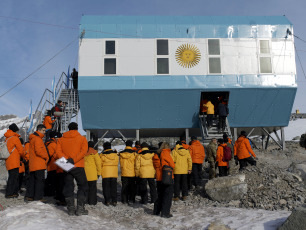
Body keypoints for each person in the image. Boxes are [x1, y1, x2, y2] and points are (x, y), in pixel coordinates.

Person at [56, 122, 88, 216]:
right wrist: (73, 160)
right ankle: (80, 209)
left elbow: (58, 152)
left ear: (68, 129)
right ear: (77, 129)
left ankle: (70, 209)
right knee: (82, 186)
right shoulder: (82, 138)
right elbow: (83, 152)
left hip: (65, 164)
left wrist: (66, 161)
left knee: (68, 186)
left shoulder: (61, 139)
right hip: (78, 164)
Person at [25, 124, 49, 201]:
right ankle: (38, 197)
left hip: (33, 164)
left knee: (32, 180)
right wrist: (46, 156)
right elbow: (38, 151)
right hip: (39, 164)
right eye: (43, 130)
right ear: (39, 130)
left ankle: (30, 196)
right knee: (39, 181)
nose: (44, 132)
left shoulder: (32, 138)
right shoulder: (38, 139)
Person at [153, 142, 175, 218]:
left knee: (160, 195)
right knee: (168, 195)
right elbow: (172, 164)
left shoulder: (156, 154)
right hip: (167, 177)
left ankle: (156, 211)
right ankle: (165, 213)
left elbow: (155, 166)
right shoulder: (165, 153)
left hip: (159, 178)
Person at [4, 123, 25, 198]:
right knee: (14, 177)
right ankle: (10, 193)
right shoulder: (15, 138)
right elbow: (21, 150)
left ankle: (12, 192)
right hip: (14, 160)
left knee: (12, 177)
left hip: (9, 160)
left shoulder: (7, 138)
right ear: (15, 130)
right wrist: (24, 156)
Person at [100, 142, 119, 206]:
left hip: (105, 173)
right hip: (114, 173)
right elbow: (117, 162)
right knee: (114, 187)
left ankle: (107, 201)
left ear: (104, 147)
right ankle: (114, 201)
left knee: (106, 187)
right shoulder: (115, 155)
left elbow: (100, 164)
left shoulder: (102, 155)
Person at [44, 131, 62, 197]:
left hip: (50, 165)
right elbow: (57, 155)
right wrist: (67, 165)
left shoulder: (48, 143)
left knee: (50, 180)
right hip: (53, 165)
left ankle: (49, 193)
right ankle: (50, 193)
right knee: (53, 181)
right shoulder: (53, 144)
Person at [119, 140, 137, 205]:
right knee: (132, 187)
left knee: (124, 186)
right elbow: (136, 163)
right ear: (131, 145)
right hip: (132, 172)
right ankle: (131, 200)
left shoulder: (121, 153)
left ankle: (124, 200)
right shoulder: (134, 153)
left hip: (124, 172)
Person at [84, 141, 101, 205]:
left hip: (85, 173)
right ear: (93, 146)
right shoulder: (95, 153)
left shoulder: (84, 152)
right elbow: (98, 164)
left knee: (85, 188)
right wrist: (99, 173)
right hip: (93, 174)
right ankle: (92, 202)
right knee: (93, 189)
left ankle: (85, 200)